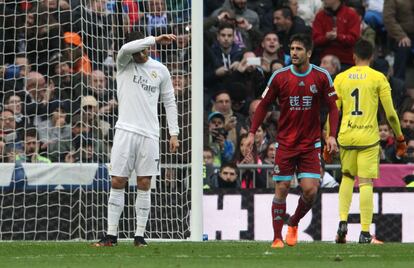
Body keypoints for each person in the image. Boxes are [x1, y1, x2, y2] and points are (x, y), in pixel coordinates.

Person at [245, 33, 339, 248]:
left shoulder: (321, 76)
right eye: (292, 49)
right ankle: (277, 237)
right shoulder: (280, 76)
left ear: (309, 52)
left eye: (298, 49)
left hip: (310, 143)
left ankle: (294, 222)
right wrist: (252, 132)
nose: (294, 53)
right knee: (282, 188)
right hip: (285, 142)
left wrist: (331, 134)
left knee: (310, 190)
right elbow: (264, 104)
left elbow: (333, 107)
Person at [93, 32, 179, 247]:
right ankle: (111, 235)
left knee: (145, 183)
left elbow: (169, 101)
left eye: (146, 49)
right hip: (125, 131)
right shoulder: (123, 62)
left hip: (150, 134)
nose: (142, 53)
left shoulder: (160, 70)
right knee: (117, 181)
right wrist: (156, 39)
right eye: (139, 49)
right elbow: (124, 49)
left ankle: (139, 236)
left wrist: (174, 133)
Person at [333, 39, 407, 244]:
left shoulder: (341, 78)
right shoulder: (378, 78)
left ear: (354, 56)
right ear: (372, 57)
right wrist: (399, 137)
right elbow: (391, 113)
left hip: (346, 136)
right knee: (365, 182)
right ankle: (365, 232)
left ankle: (342, 222)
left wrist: (329, 135)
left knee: (347, 177)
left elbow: (333, 111)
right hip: (368, 137)